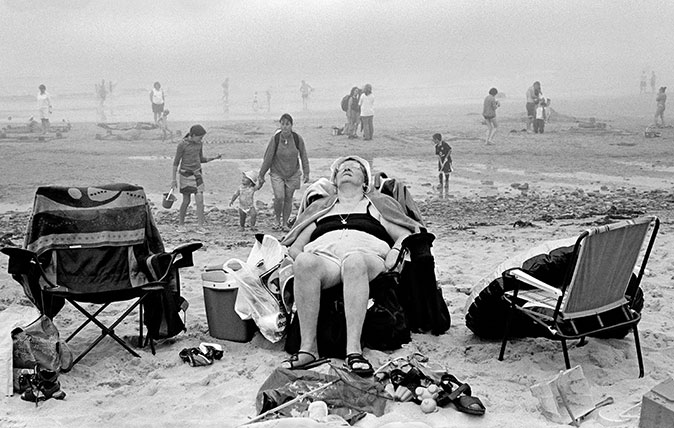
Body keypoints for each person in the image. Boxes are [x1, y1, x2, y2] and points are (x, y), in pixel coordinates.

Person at [279, 155, 421, 376]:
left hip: (367, 256)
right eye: (342, 168)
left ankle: (353, 351)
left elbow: (405, 234)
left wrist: (394, 252)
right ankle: (308, 350)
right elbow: (296, 246)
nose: (347, 169)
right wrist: (299, 263)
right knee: (305, 261)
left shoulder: (377, 206)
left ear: (365, 181)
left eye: (354, 168)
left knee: (353, 261)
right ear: (334, 180)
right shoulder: (321, 209)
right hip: (327, 260)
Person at [257, 113, 310, 231]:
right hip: (277, 172)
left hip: (293, 173)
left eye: (287, 124)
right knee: (279, 197)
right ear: (280, 124)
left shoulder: (297, 138)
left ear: (291, 125)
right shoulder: (276, 139)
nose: (285, 127)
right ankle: (277, 219)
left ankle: (285, 223)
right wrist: (261, 174)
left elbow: (303, 155)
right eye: (282, 124)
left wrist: (306, 172)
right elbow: (268, 158)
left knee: (288, 198)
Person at [171, 124, 221, 230]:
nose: (201, 139)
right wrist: (173, 179)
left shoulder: (199, 144)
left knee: (200, 201)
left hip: (198, 174)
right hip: (185, 175)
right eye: (200, 137)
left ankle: (201, 226)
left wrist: (214, 158)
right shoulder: (182, 145)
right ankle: (181, 225)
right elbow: (176, 162)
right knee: (186, 201)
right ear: (192, 135)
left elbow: (201, 159)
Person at [433, 133, 452, 198]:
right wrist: (440, 161)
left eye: (434, 140)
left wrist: (446, 157)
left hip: (446, 160)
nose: (433, 141)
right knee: (440, 171)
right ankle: (441, 183)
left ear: (437, 139)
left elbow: (450, 150)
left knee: (446, 171)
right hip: (441, 160)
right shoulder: (436, 146)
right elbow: (437, 154)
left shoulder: (444, 144)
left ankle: (446, 182)